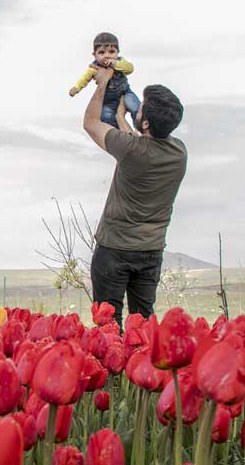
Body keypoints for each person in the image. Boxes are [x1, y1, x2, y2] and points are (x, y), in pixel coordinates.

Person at [82, 65, 186, 327]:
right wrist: (122, 118)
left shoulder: (130, 149)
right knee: (143, 326)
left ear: (147, 122)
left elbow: (91, 123)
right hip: (150, 251)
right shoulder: (179, 152)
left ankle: (113, 369)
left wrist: (102, 84)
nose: (136, 107)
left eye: (140, 108)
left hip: (114, 249)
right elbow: (142, 143)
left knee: (108, 326)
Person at [69, 32, 140, 129]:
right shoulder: (94, 68)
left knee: (136, 108)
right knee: (106, 118)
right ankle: (118, 134)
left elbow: (130, 69)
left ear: (117, 52)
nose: (107, 56)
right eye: (101, 53)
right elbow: (84, 78)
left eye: (111, 52)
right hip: (108, 100)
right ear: (94, 55)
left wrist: (115, 64)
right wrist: (76, 88)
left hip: (125, 92)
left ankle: (140, 129)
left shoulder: (120, 62)